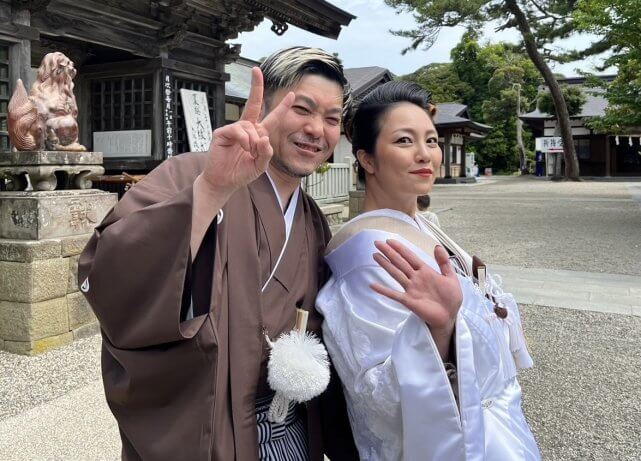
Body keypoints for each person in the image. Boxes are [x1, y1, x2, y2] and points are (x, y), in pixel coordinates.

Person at [78, 47, 357, 461]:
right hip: (206, 425)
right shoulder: (193, 173)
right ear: (264, 107)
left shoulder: (313, 220)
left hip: (289, 426)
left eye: (332, 119)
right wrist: (211, 190)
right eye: (302, 109)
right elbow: (112, 272)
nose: (317, 129)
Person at [316, 81, 540, 460]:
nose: (426, 154)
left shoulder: (420, 223)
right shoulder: (369, 254)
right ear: (367, 159)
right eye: (404, 141)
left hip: (496, 426)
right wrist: (440, 331)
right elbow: (379, 397)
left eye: (432, 141)